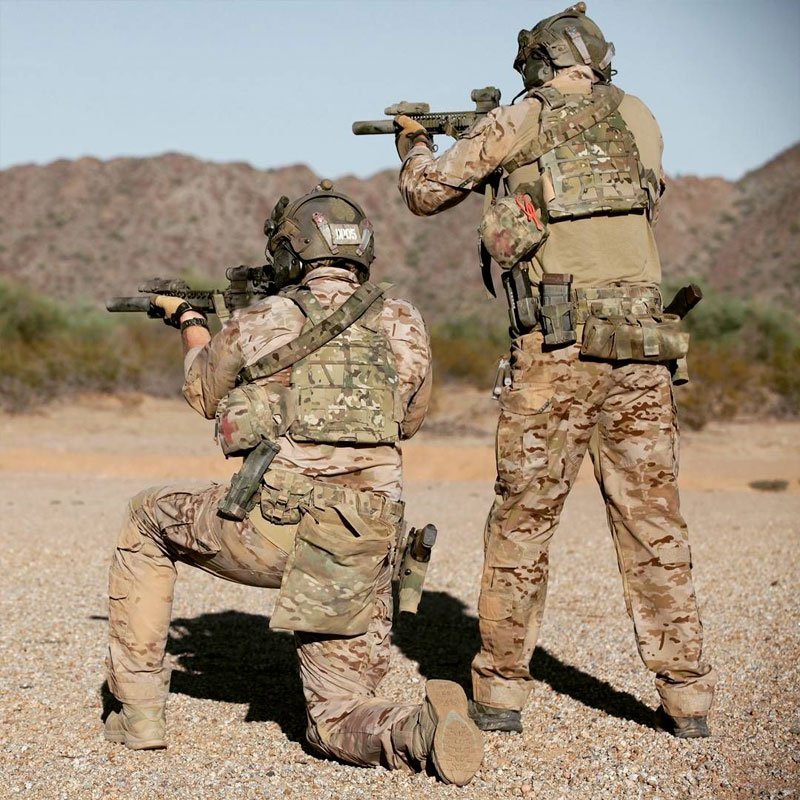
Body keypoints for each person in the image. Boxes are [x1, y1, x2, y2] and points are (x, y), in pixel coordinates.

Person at [394, 3, 716, 738]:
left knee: (522, 523)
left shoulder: (523, 118)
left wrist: (415, 143)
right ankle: (688, 699)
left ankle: (500, 693)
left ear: (537, 64)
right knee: (654, 525)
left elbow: (425, 193)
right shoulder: (639, 115)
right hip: (643, 350)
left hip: (558, 350)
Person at [103, 181, 484, 785]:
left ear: (290, 251)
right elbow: (409, 421)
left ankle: (139, 712)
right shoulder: (406, 321)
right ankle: (418, 730)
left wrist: (192, 322)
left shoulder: (266, 317)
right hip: (358, 548)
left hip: (272, 531)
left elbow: (202, 392)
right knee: (336, 720)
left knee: (146, 518)